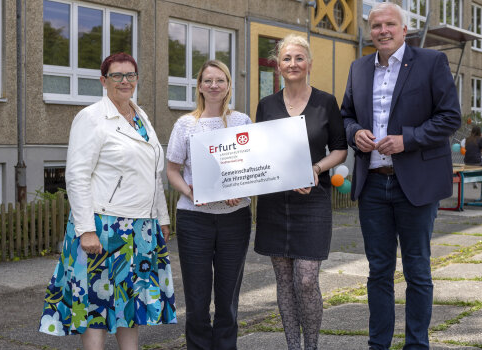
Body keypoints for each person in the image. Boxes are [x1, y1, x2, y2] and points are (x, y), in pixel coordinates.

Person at [340, 3, 461, 349]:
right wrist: (354, 133)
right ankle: (378, 344)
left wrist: (407, 139)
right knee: (378, 271)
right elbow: (346, 115)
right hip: (373, 183)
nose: (383, 30)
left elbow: (450, 117)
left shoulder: (431, 62)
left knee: (417, 272)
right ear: (370, 31)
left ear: (404, 29)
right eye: (376, 25)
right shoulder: (359, 68)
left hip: (415, 185)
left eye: (390, 24)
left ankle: (416, 344)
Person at [38, 53, 177, 349]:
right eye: (117, 75)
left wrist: (161, 218)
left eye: (130, 75)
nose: (125, 81)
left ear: (137, 80)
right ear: (104, 81)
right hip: (103, 226)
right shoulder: (91, 118)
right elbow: (76, 175)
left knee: (131, 304)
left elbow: (154, 175)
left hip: (141, 227)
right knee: (95, 305)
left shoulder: (143, 118)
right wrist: (86, 229)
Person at [254, 34, 348, 350]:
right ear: (278, 65)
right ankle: (293, 345)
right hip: (274, 203)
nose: (293, 64)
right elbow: (258, 153)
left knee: (306, 280)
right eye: (286, 59)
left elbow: (339, 149)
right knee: (284, 281)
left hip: (313, 201)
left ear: (308, 63)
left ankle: (311, 346)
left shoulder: (326, 102)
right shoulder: (266, 105)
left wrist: (317, 169)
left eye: (299, 58)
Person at [166, 60, 252, 350]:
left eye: (220, 80)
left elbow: (253, 167)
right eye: (208, 80)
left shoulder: (242, 122)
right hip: (195, 220)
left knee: (228, 297)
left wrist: (239, 190)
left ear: (228, 85)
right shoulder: (185, 125)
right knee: (197, 298)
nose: (214, 86)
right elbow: (172, 170)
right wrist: (192, 193)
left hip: (234, 219)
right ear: (199, 86)